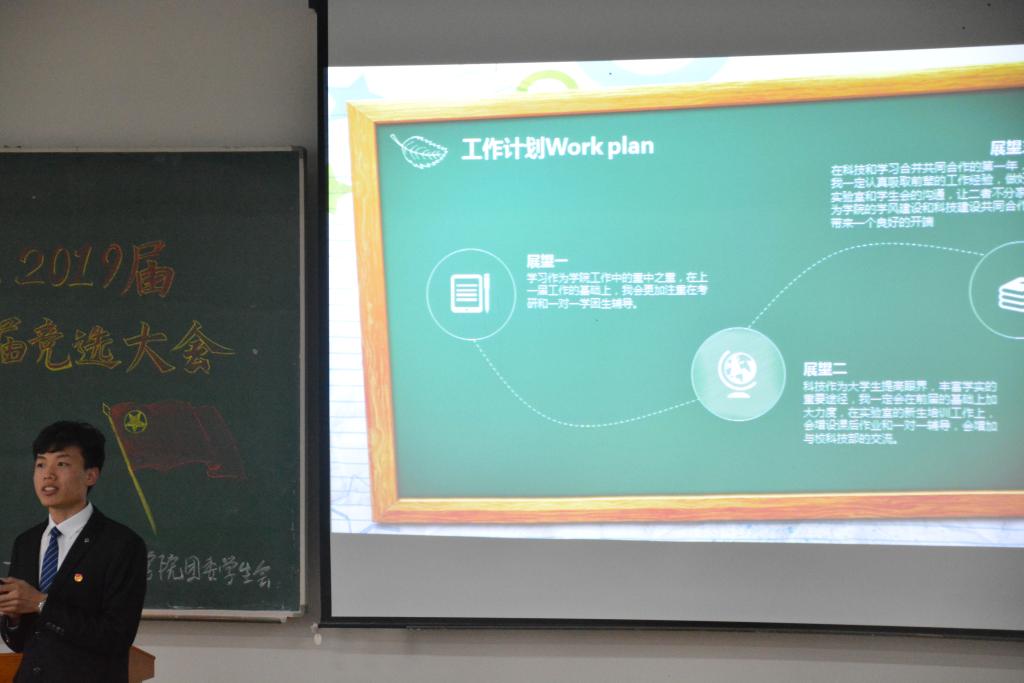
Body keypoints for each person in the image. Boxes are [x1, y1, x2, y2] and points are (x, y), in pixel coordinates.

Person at [0, 421, 147, 683]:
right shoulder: (26, 542)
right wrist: (13, 617)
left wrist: (40, 604)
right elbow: (21, 643)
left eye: (62, 464)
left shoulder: (121, 544)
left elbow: (116, 637)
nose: (48, 475)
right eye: (41, 464)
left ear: (91, 475)